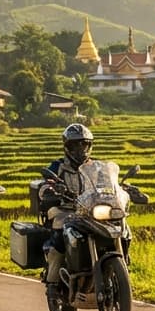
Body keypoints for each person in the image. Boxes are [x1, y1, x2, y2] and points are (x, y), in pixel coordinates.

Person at [40, 123, 94, 294]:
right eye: (75, 144)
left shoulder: (95, 167)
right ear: (67, 146)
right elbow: (44, 185)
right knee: (60, 232)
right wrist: (50, 189)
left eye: (83, 144)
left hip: (90, 211)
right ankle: (53, 282)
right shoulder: (58, 166)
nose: (80, 149)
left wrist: (122, 189)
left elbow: (108, 184)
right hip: (65, 209)